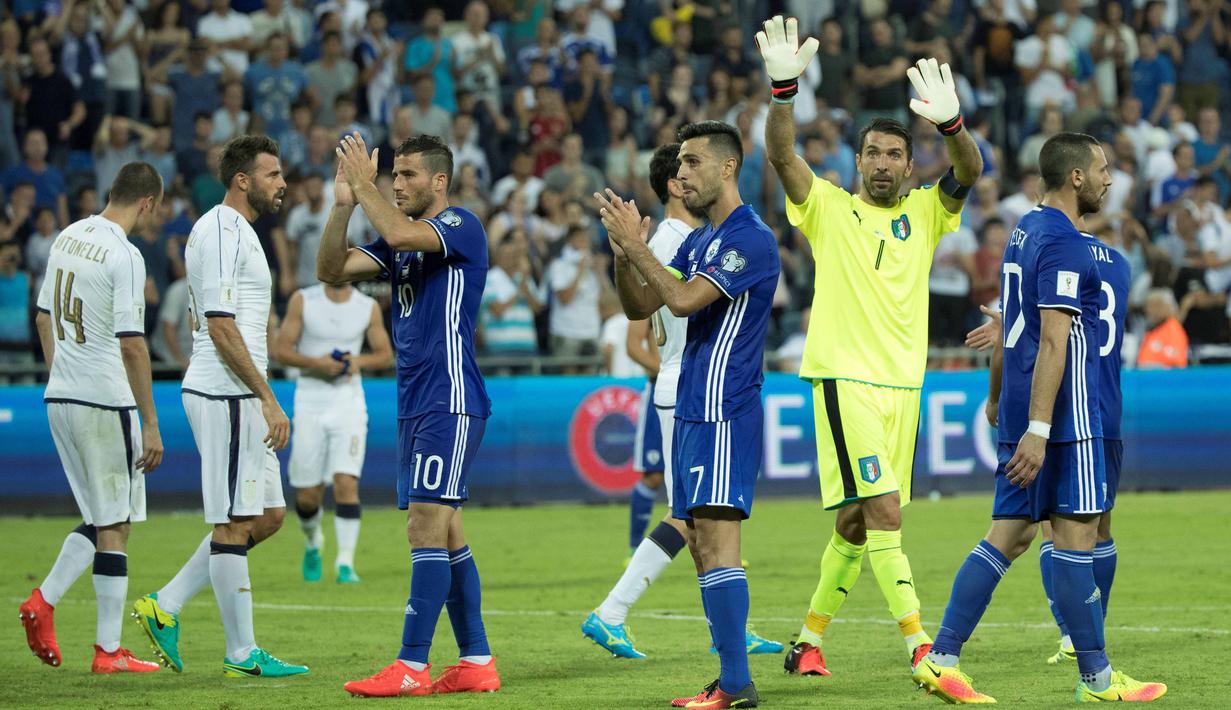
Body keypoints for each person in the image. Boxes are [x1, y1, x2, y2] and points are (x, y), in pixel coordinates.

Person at [758, 15, 982, 678]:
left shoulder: (926, 210)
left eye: (893, 155)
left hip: (902, 388)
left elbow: (969, 168)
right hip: (843, 379)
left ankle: (806, 640)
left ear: (908, 165)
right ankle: (922, 649)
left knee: (857, 523)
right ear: (856, 162)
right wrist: (781, 93)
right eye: (872, 155)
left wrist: (952, 128)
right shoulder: (829, 208)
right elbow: (780, 157)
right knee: (885, 513)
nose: (882, 164)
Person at [914, 133, 1166, 703]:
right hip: (1064, 418)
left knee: (1009, 533)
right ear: (1075, 177)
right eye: (1102, 169)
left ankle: (942, 657)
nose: (1108, 178)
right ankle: (1098, 679)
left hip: (1026, 408)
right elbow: (1053, 340)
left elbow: (1012, 324)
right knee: (1076, 535)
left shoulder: (1024, 229)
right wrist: (1039, 428)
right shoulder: (1066, 244)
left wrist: (1001, 400)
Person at [595, 120, 781, 708]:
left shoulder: (749, 238)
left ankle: (734, 684)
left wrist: (638, 246)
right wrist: (628, 254)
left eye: (692, 163)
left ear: (728, 168)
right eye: (679, 166)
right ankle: (730, 678)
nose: (680, 174)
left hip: (724, 407)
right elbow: (639, 305)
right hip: (695, 407)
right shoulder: (702, 241)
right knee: (701, 540)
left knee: (718, 542)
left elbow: (679, 299)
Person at [320, 133, 499, 697]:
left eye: (408, 176)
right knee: (444, 533)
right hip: (415, 401)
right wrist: (344, 202)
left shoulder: (459, 227)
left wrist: (367, 187)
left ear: (439, 182)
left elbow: (400, 231)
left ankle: (411, 665)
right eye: (392, 176)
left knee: (423, 523)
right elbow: (332, 268)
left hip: (449, 397)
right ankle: (475, 662)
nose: (397, 184)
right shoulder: (397, 239)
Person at [130, 136, 307, 679]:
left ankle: (167, 603)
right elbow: (219, 323)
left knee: (269, 516)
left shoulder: (232, 231)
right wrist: (267, 398)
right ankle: (240, 654)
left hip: (234, 391)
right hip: (228, 393)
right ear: (242, 180)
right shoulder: (227, 230)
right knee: (234, 520)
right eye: (272, 174)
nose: (282, 183)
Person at [19, 162, 165, 673]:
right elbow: (132, 343)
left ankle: (95, 641)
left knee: (105, 518)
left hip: (61, 395)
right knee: (117, 522)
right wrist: (149, 421)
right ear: (147, 202)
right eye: (157, 209)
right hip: (105, 399)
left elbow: (42, 317)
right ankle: (88, 637)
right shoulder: (126, 255)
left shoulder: (67, 235)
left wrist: (63, 376)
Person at [274, 281, 392, 584]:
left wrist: (357, 362)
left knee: (345, 481)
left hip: (348, 401)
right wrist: (316, 363)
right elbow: (281, 350)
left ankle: (345, 563)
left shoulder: (366, 306)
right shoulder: (304, 300)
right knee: (308, 495)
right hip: (310, 400)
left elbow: (384, 354)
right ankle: (313, 541)